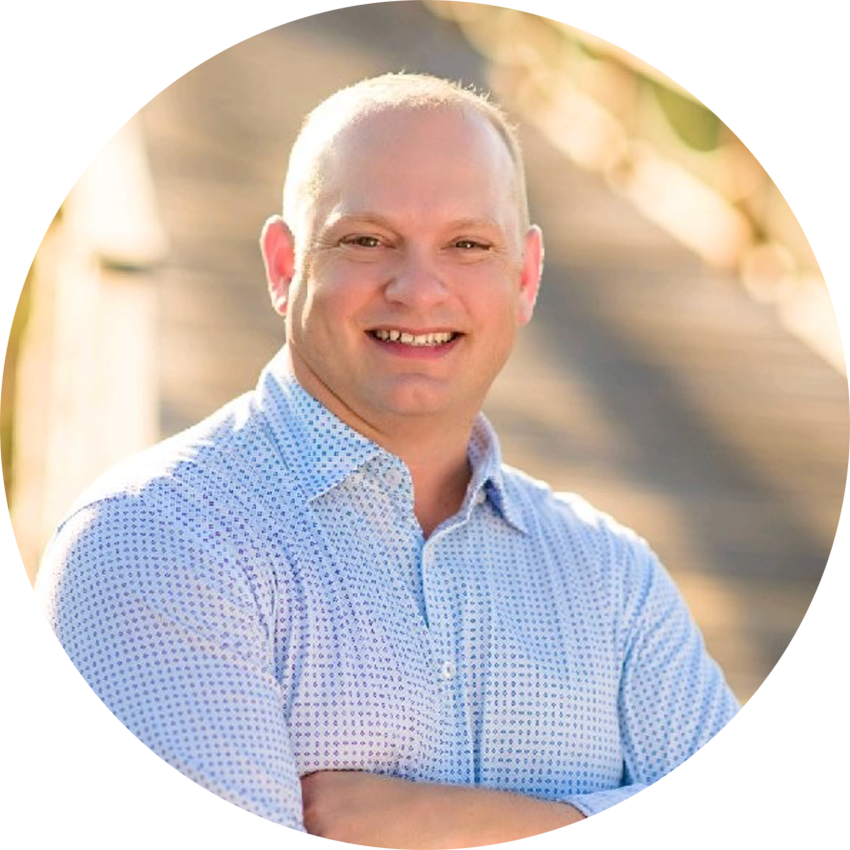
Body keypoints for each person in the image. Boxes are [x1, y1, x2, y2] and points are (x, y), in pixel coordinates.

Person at [40, 73, 737, 847]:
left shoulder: (611, 578)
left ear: (526, 276)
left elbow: (770, 822)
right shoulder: (154, 541)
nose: (419, 289)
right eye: (367, 240)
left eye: (468, 245)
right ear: (284, 266)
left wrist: (497, 828)